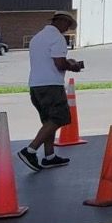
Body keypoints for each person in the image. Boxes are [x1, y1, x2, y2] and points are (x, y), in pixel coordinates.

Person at [18, 10, 84, 171]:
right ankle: (30, 150)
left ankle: (50, 156)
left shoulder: (37, 37)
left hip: (35, 85)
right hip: (51, 85)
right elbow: (59, 64)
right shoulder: (57, 38)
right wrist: (73, 66)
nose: (67, 29)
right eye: (68, 25)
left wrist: (66, 61)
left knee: (49, 121)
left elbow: (48, 59)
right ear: (62, 22)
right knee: (60, 118)